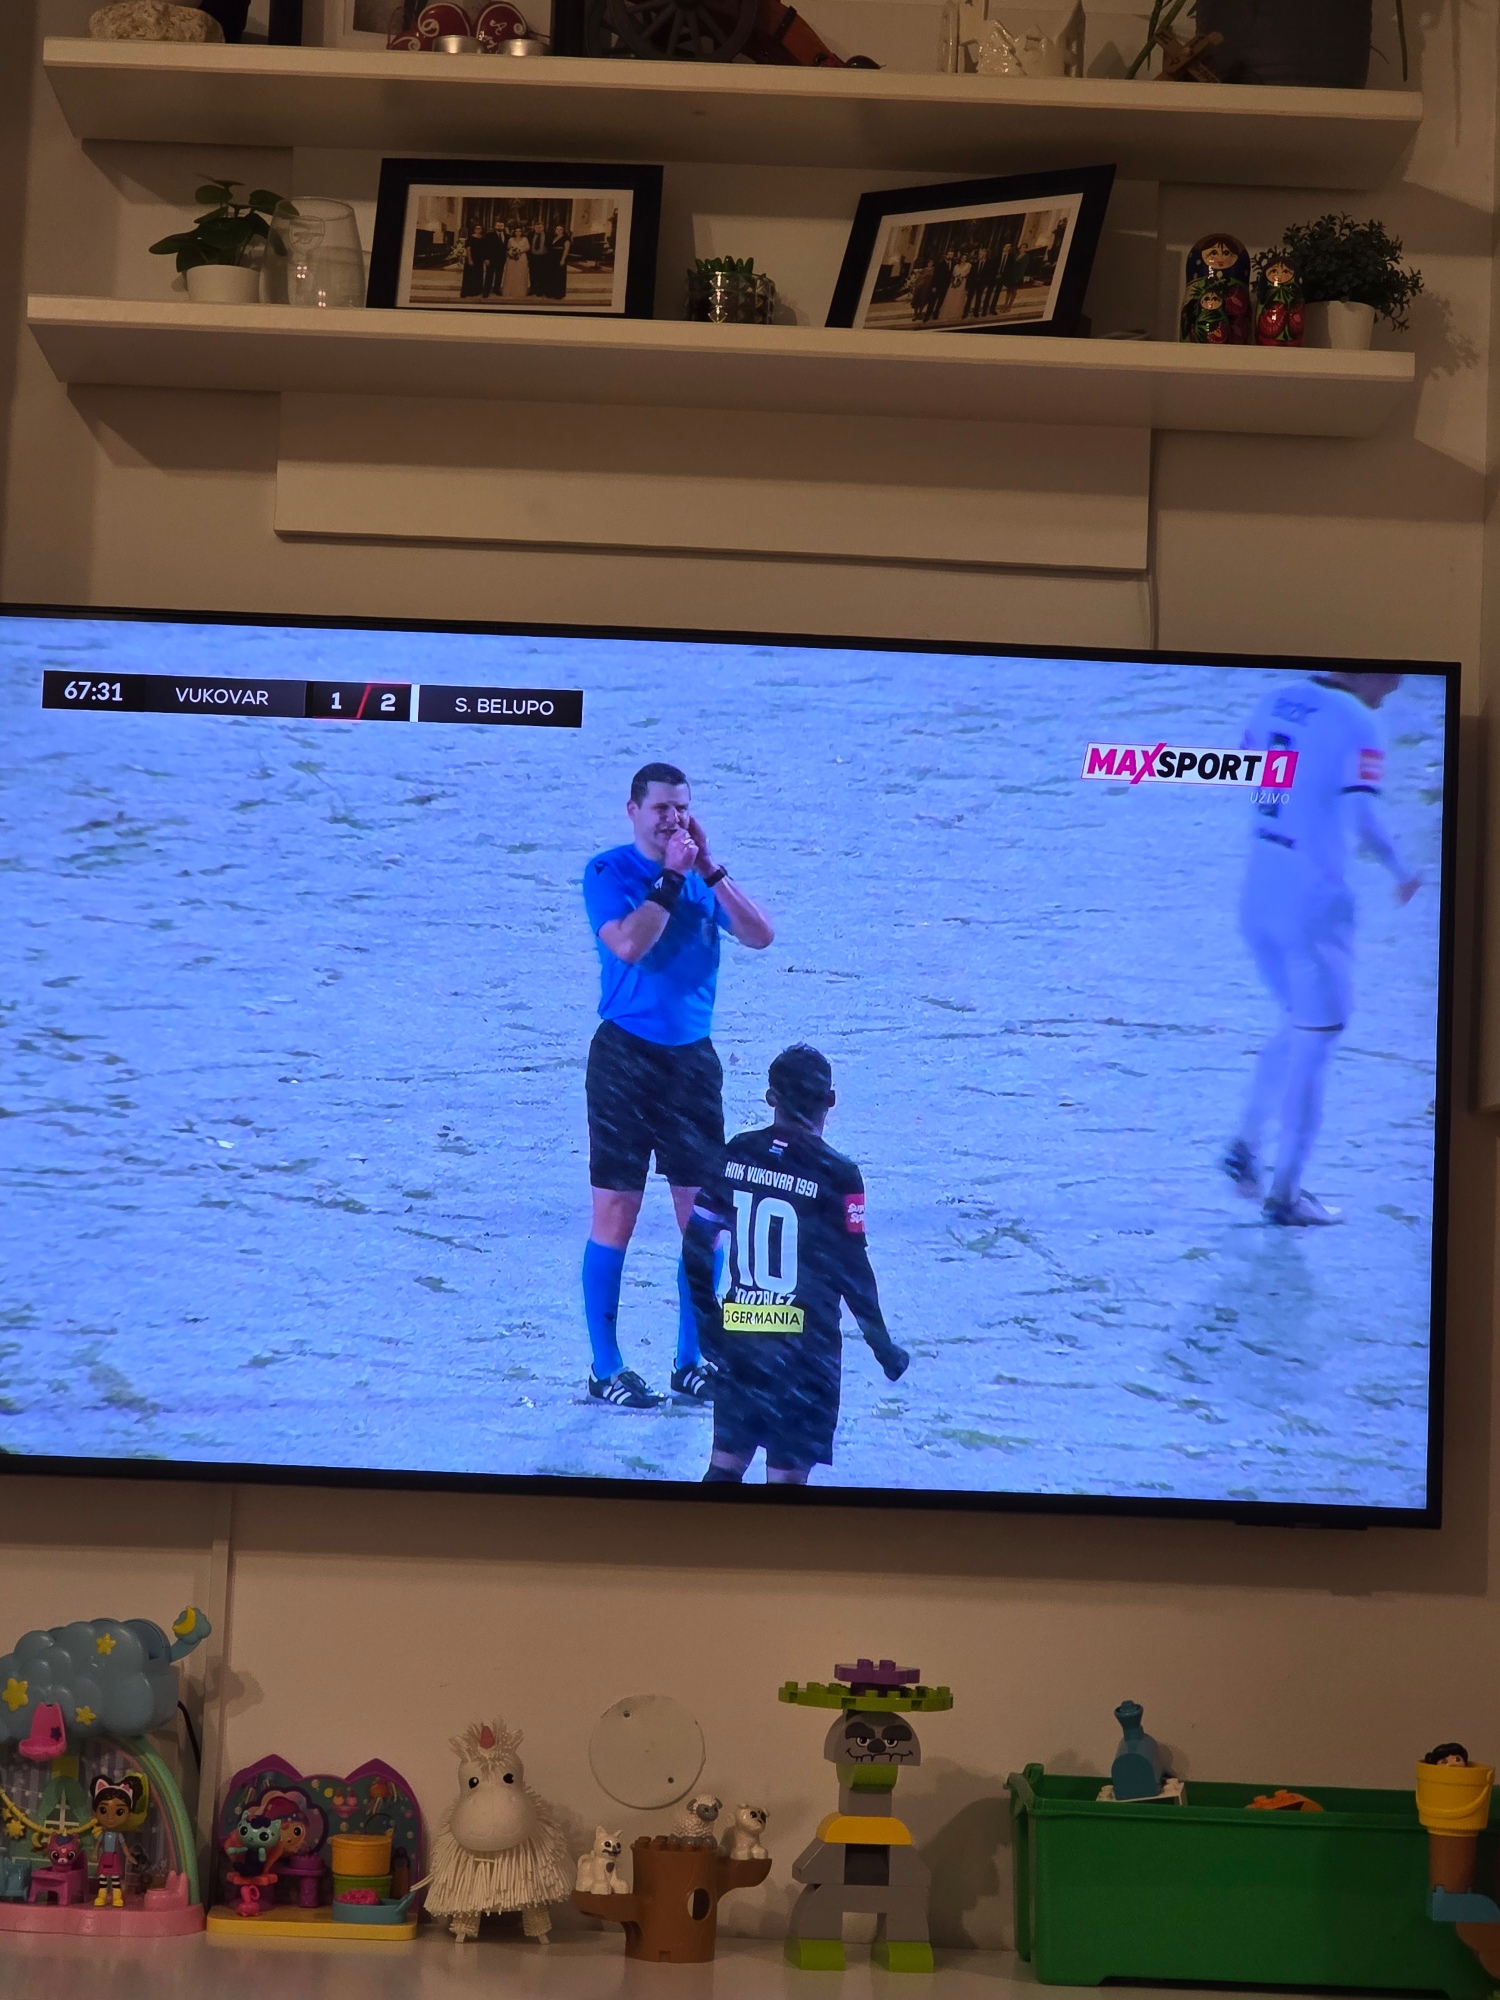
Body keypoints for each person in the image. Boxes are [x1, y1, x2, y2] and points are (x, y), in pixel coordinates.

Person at [581, 763, 775, 1408]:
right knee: (617, 1213)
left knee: (703, 1219)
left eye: (681, 807)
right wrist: (670, 878)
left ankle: (691, 1361)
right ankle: (606, 1368)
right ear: (633, 810)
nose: (673, 818)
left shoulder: (700, 875)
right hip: (625, 1059)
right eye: (661, 807)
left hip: (692, 1063)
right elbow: (628, 946)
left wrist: (710, 868)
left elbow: (760, 936)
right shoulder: (608, 872)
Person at [1224, 670, 1421, 1226]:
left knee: (1299, 1021)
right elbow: (1364, 817)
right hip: (1313, 906)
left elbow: (1248, 775)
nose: (1397, 686)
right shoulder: (1356, 720)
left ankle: (1246, 1143)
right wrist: (1403, 872)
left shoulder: (1273, 700)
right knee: (1318, 1040)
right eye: (1393, 672)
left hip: (1258, 892)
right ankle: (1285, 1195)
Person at [684, 1044, 909, 1485]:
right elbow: (852, 1269)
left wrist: (708, 1320)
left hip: (741, 1337)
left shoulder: (737, 1154)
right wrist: (881, 1344)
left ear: (771, 1098)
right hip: (804, 1353)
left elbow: (697, 1243)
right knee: (786, 1481)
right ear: (830, 1100)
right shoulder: (837, 1174)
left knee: (725, 1466)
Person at [501, 222, 532, 301]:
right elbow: (508, 248)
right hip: (511, 259)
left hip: (522, 258)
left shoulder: (525, 239)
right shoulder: (510, 240)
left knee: (521, 274)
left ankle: (520, 292)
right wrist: (512, 252)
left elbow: (528, 247)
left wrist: (519, 251)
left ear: (522, 232)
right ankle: (510, 291)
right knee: (511, 274)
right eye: (516, 231)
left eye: (519, 231)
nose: (518, 233)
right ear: (514, 232)